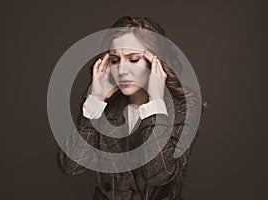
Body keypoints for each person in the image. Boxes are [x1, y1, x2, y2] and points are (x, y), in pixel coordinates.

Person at [56, 16, 203, 200]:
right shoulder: (103, 106)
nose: (122, 70)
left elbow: (159, 175)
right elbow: (71, 166)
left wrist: (155, 104)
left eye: (134, 59)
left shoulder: (184, 108)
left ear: (154, 62)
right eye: (116, 60)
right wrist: (94, 100)